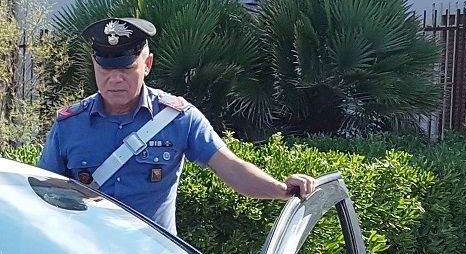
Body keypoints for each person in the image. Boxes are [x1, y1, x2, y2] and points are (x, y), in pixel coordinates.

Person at [39, 17, 314, 235]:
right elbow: (42, 194)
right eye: (106, 70)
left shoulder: (177, 118)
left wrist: (282, 189)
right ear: (94, 66)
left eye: (126, 69)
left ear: (147, 65)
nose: (115, 80)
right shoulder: (69, 125)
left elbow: (231, 167)